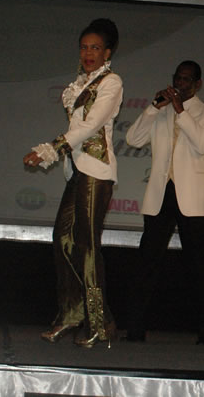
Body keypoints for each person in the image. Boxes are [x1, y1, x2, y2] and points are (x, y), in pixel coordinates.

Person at [23, 18, 123, 348]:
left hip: (97, 170)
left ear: (107, 52)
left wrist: (49, 149)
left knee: (87, 243)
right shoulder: (79, 83)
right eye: (84, 47)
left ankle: (97, 323)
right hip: (77, 170)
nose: (88, 53)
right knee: (63, 239)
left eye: (95, 48)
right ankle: (73, 313)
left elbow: (92, 125)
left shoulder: (111, 83)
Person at [124, 60, 204, 345]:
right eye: (178, 78)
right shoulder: (161, 110)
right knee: (146, 264)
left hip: (191, 198)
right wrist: (154, 107)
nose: (181, 84)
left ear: (198, 84)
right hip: (160, 194)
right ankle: (134, 330)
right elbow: (132, 139)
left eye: (187, 80)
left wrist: (181, 111)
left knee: (200, 267)